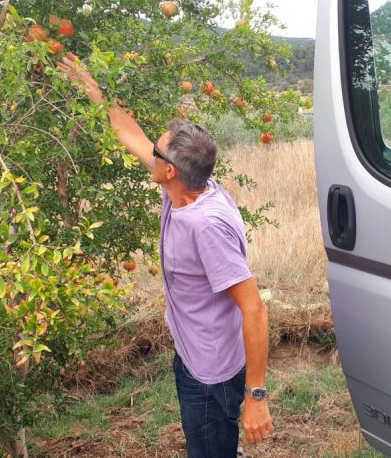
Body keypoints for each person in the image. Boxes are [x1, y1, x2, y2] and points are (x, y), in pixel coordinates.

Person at [58, 52, 274, 457]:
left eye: (158, 155)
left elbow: (255, 309)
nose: (150, 156)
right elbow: (134, 136)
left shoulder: (204, 225)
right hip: (194, 353)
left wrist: (256, 396)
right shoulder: (186, 186)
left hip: (210, 373)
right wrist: (93, 91)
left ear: (170, 170)